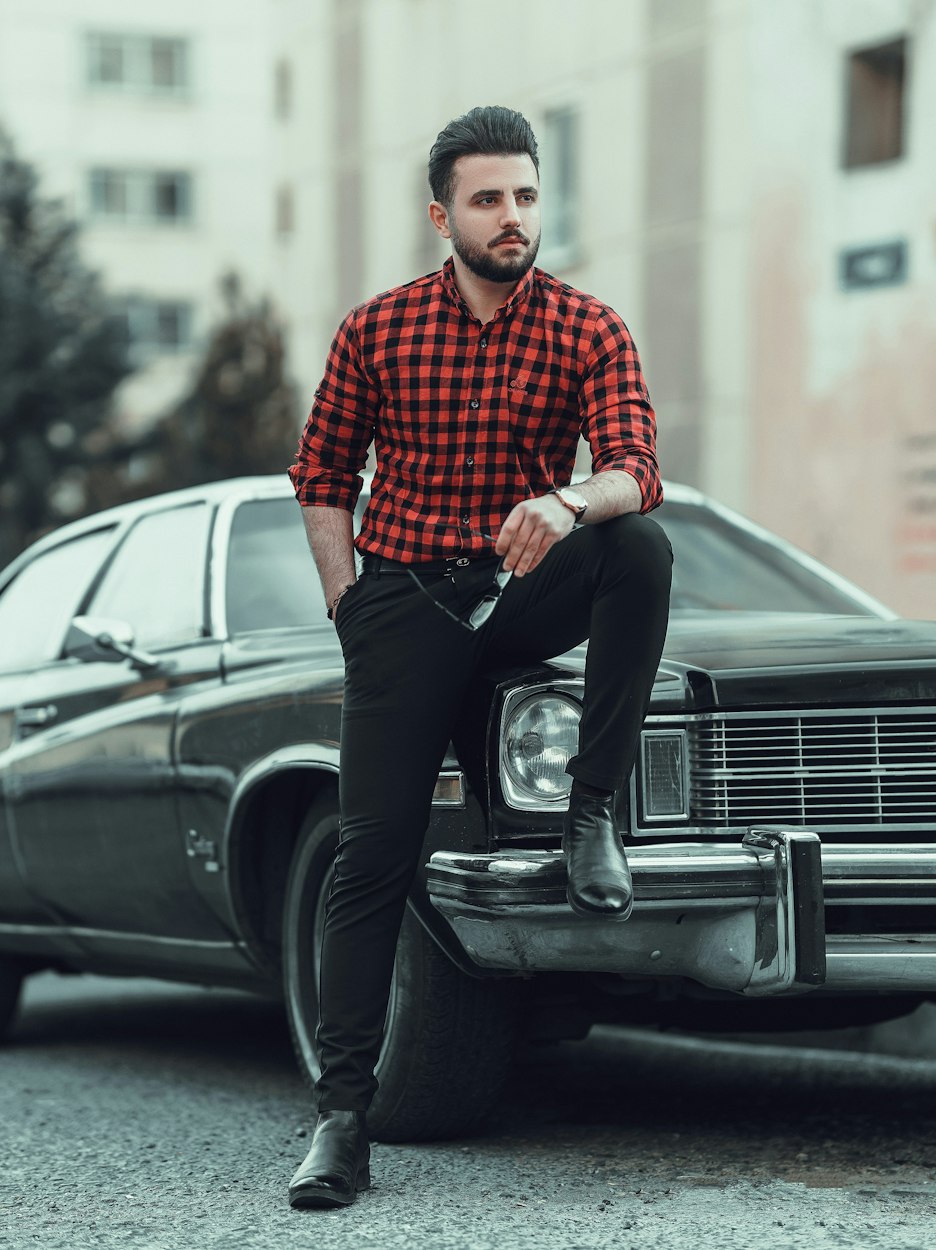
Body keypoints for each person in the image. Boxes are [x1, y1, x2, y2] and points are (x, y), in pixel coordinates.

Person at [287, 105, 672, 1209]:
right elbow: (321, 472)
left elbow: (635, 466)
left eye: (526, 196)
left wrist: (564, 500)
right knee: (372, 856)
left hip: (516, 588)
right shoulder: (379, 327)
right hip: (403, 602)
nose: (513, 218)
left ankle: (590, 809)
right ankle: (342, 1120)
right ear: (442, 212)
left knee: (637, 546)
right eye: (488, 199)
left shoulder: (587, 326)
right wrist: (347, 604)